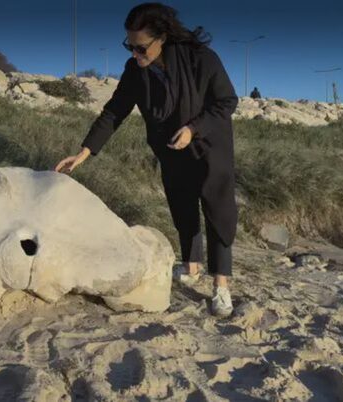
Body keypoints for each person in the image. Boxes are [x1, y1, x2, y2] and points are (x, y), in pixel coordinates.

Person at [53, 2, 239, 317]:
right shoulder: (135, 71)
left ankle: (221, 285)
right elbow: (115, 111)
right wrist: (85, 151)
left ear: (162, 37)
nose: (135, 54)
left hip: (209, 144)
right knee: (181, 204)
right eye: (130, 47)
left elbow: (226, 101)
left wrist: (194, 129)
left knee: (217, 210)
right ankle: (191, 265)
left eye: (141, 48)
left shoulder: (201, 59)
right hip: (169, 146)